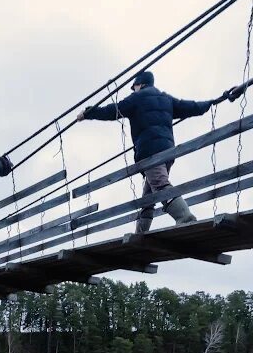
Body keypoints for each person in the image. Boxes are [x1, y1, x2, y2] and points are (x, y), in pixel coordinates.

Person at [76, 71, 238, 233]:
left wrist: (89, 113)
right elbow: (191, 107)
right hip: (168, 151)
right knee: (149, 196)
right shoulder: (166, 99)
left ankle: (185, 218)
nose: (134, 90)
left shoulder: (137, 98)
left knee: (160, 185)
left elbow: (112, 111)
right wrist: (214, 101)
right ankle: (141, 233)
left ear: (139, 84)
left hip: (149, 152)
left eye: (134, 87)